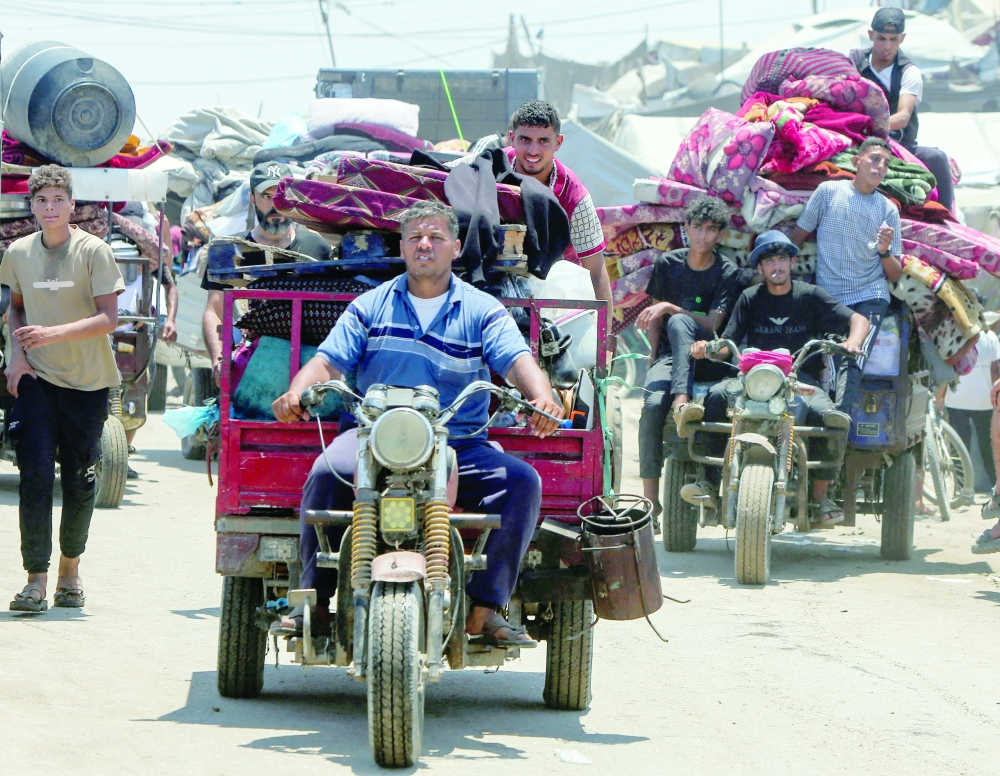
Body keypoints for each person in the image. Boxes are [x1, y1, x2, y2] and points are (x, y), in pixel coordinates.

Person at [271, 200, 563, 645]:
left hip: (459, 443)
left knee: (522, 483)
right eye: (415, 238)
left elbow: (517, 360)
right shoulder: (370, 306)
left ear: (456, 247)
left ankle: (485, 610)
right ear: (403, 247)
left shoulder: (483, 310)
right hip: (374, 439)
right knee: (324, 474)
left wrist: (541, 397)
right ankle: (313, 603)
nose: (425, 245)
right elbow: (328, 363)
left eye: (436, 237)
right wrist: (298, 391)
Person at [1, 165, 125, 612]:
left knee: (78, 480)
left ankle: (69, 573)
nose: (49, 208)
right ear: (31, 206)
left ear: (71, 205)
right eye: (40, 200)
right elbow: (14, 309)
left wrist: (53, 334)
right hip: (35, 380)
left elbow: (110, 319)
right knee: (33, 477)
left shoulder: (94, 252)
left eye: (57, 200)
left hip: (88, 385)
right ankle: (35, 579)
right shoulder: (17, 253)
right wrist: (17, 356)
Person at [688, 231, 870, 526]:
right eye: (769, 260)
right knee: (716, 396)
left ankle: (822, 496)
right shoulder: (749, 298)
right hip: (753, 381)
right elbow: (727, 343)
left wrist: (852, 342)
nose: (777, 266)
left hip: (798, 381)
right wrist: (707, 348)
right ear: (759, 268)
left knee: (829, 415)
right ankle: (708, 484)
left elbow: (858, 320)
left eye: (782, 259)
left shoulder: (809, 295)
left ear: (792, 262)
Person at [450, 100, 614, 318]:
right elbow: (439, 173)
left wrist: (604, 345)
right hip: (492, 286)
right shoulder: (491, 165)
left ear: (558, 142)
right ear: (512, 138)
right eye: (525, 139)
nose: (533, 150)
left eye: (543, 141)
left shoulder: (574, 195)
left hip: (555, 293)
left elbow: (595, 273)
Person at [635, 195, 743, 521]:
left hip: (709, 353)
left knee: (681, 320)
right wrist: (652, 363)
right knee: (653, 407)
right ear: (687, 229)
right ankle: (651, 506)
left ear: (720, 235)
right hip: (671, 356)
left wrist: (671, 308)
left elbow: (712, 324)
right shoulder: (668, 265)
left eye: (711, 230)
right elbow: (655, 322)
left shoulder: (728, 271)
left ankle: (682, 400)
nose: (703, 236)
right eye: (698, 227)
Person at [790, 137, 902, 419]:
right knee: (827, 358)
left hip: (870, 293)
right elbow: (798, 236)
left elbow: (896, 273)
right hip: (831, 296)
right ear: (856, 161)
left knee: (853, 355)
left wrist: (884, 250)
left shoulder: (888, 209)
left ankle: (836, 423)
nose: (880, 167)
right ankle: (821, 419)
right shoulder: (828, 192)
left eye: (886, 163)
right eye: (875, 158)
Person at [201, 161, 332, 386]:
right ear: (252, 198)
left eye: (281, 195)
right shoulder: (229, 250)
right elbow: (215, 310)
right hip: (250, 365)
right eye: (266, 196)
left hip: (306, 367)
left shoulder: (316, 247)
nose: (275, 205)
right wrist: (219, 359)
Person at [849, 7, 954, 213]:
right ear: (871, 35)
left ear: (902, 39)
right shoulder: (854, 62)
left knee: (937, 158)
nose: (887, 46)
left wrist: (871, 126)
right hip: (859, 140)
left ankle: (946, 216)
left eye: (893, 39)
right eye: (881, 38)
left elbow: (903, 116)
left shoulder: (909, 72)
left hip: (900, 145)